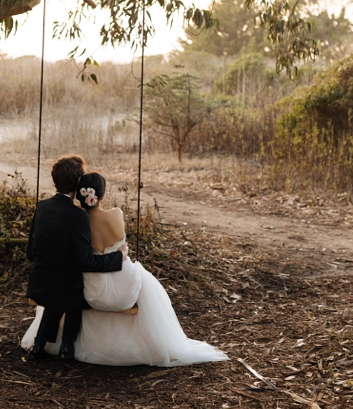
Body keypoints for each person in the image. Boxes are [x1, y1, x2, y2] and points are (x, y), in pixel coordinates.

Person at [21, 170, 228, 366]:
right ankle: (77, 344)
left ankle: (53, 344)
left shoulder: (79, 219)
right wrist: (119, 256)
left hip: (91, 287)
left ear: (81, 195)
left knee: (72, 284)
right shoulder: (116, 214)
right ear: (101, 195)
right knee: (144, 280)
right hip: (121, 286)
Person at [25, 155, 125, 360]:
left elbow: (30, 253)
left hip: (40, 283)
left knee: (60, 286)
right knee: (74, 287)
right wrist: (117, 257)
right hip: (65, 290)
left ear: (54, 181)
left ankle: (39, 343)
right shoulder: (78, 216)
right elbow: (86, 261)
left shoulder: (41, 207)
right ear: (78, 183)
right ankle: (67, 347)